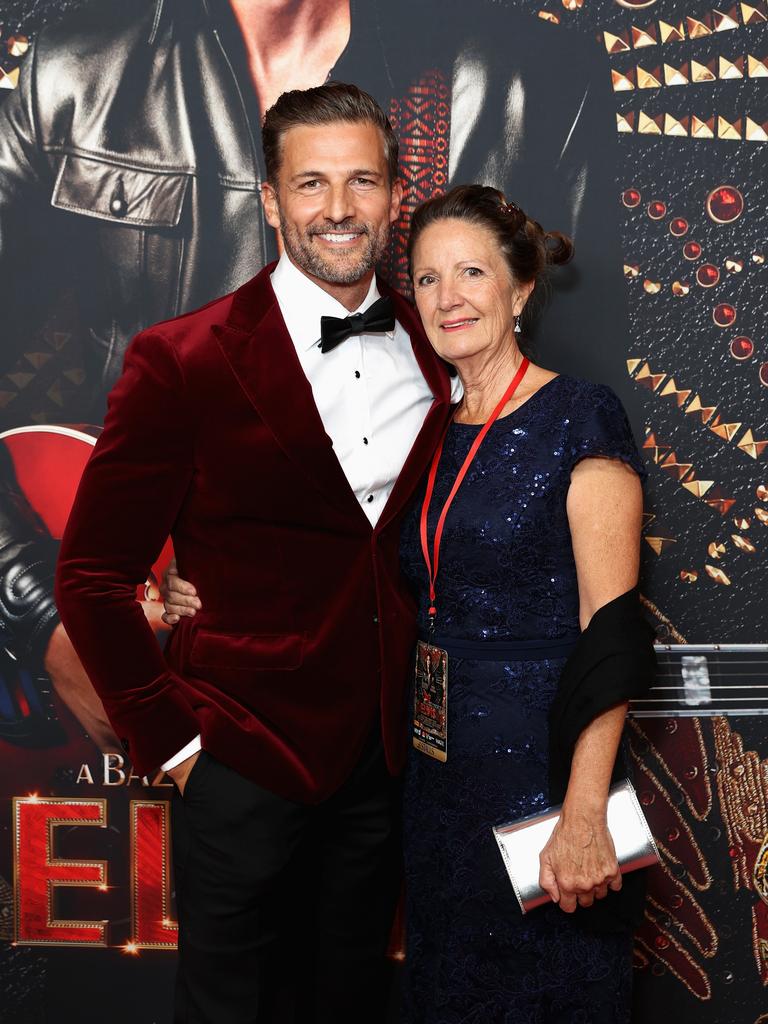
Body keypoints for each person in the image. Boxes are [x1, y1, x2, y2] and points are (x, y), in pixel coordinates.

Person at [0, 0, 630, 748]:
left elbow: (581, 428)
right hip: (172, 668)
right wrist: (42, 614)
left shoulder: (535, 79)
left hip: (409, 680)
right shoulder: (73, 74)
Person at [165, 184, 656, 1022]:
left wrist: (583, 812)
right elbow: (345, 564)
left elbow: (609, 632)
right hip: (433, 785)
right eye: (426, 280)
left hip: (543, 774)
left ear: (521, 289)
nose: (448, 297)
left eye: (471, 272)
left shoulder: (580, 415)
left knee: (553, 993)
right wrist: (199, 588)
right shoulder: (427, 428)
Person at [55, 83, 459, 1024]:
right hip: (236, 755)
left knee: (351, 1003)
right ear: (271, 201)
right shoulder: (184, 357)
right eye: (310, 183)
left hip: (381, 766)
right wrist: (175, 745)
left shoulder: (439, 350)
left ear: (397, 194)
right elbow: (90, 575)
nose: (338, 208)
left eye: (362, 180)